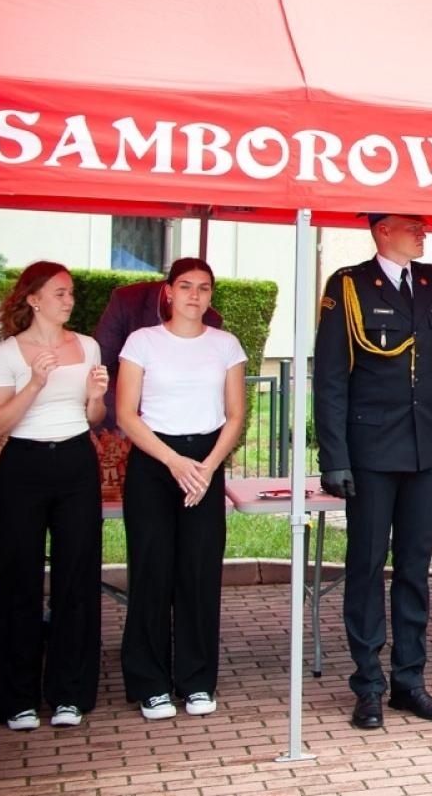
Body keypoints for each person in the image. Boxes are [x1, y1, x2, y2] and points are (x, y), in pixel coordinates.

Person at [313, 213, 432, 729]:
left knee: (414, 569)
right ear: (383, 230)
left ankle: (410, 681)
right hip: (372, 451)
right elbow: (332, 378)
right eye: (412, 225)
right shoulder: (349, 286)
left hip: (426, 450)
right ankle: (368, 683)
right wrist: (334, 457)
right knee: (365, 568)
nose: (423, 232)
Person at [115, 258, 247, 720]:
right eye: (186, 286)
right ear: (168, 292)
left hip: (205, 465)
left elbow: (235, 415)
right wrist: (173, 462)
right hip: (155, 462)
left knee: (199, 574)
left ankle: (196, 681)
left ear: (212, 295)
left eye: (204, 288)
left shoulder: (225, 345)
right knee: (152, 572)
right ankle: (150, 682)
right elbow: (127, 414)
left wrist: (206, 468)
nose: (195, 295)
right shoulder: (142, 342)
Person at [0, 261, 108, 730]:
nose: (69, 300)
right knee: (18, 578)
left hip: (76, 461)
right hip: (25, 465)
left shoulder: (88, 345)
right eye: (59, 293)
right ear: (33, 299)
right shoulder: (9, 354)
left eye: (71, 292)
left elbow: (93, 418)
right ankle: (17, 699)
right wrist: (34, 382)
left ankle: (70, 693)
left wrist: (96, 397)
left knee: (77, 577)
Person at [94, 279, 222, 431]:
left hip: (180, 423)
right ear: (169, 292)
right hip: (122, 420)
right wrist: (133, 414)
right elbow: (100, 364)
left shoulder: (210, 320)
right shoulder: (128, 300)